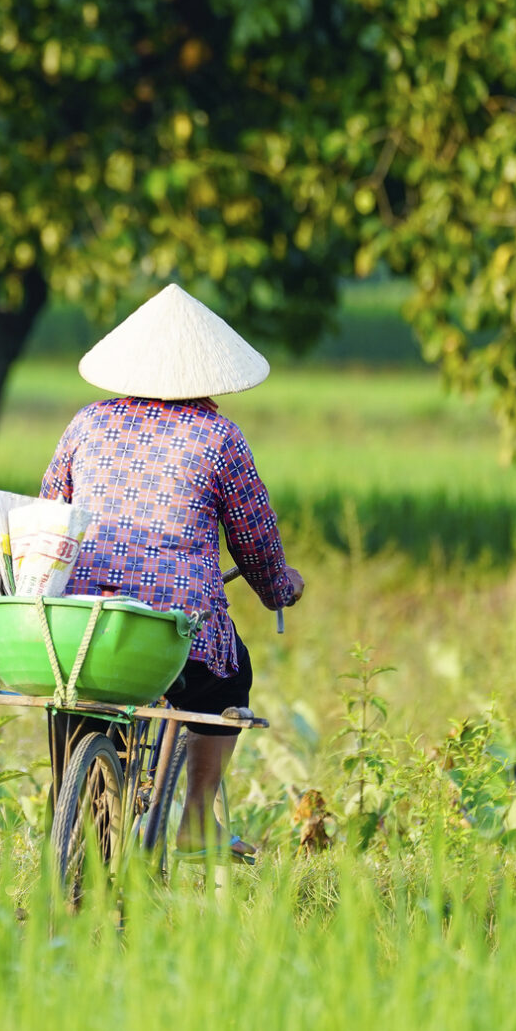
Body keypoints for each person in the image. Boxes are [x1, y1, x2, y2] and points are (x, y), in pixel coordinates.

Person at [39, 284, 304, 860]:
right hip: (171, 625)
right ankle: (197, 817)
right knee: (229, 677)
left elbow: (48, 514)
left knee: (73, 689)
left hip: (81, 615)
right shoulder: (218, 438)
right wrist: (280, 587)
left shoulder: (87, 424)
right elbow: (255, 540)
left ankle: (68, 807)